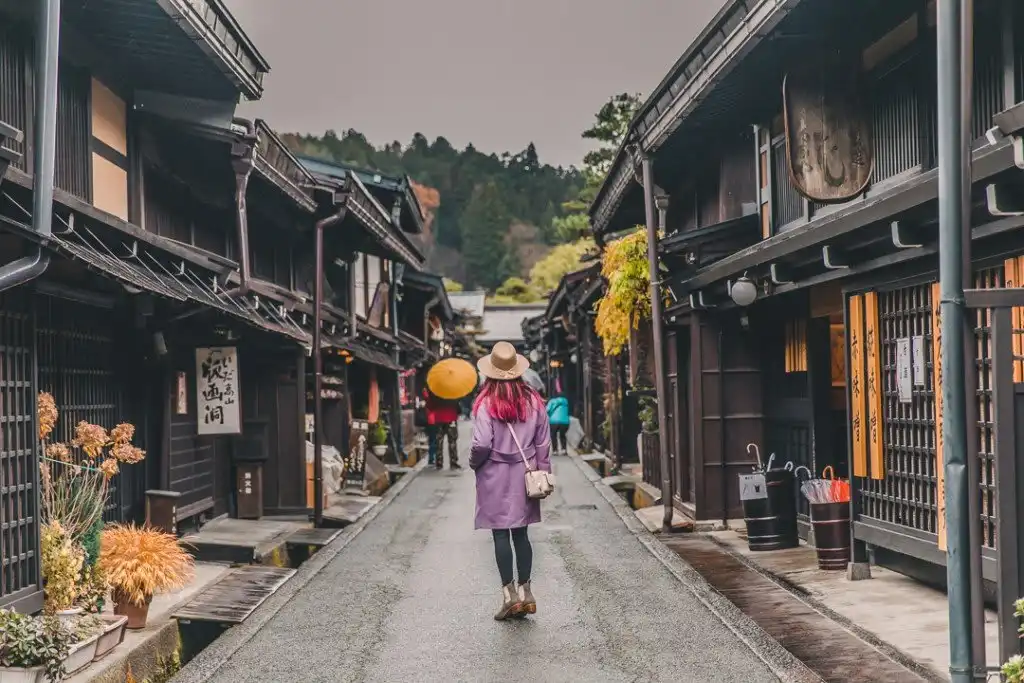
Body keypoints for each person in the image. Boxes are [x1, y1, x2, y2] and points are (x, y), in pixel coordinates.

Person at [470, 341, 552, 621]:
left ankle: (509, 597)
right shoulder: (533, 401)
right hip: (524, 474)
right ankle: (526, 592)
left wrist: (474, 463)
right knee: (521, 533)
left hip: (494, 473)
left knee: (500, 533)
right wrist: (543, 471)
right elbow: (543, 441)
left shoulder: (486, 402)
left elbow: (481, 443)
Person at [426, 389, 460, 470]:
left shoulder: (435, 390)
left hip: (439, 418)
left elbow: (430, 405)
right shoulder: (453, 390)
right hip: (451, 417)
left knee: (439, 440)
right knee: (452, 441)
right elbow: (458, 407)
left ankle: (439, 462)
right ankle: (453, 462)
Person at [546, 392, 570, 456]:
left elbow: (547, 410)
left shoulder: (552, 401)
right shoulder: (565, 401)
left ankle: (555, 450)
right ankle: (564, 450)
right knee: (563, 435)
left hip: (554, 421)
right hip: (565, 421)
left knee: (553, 435)